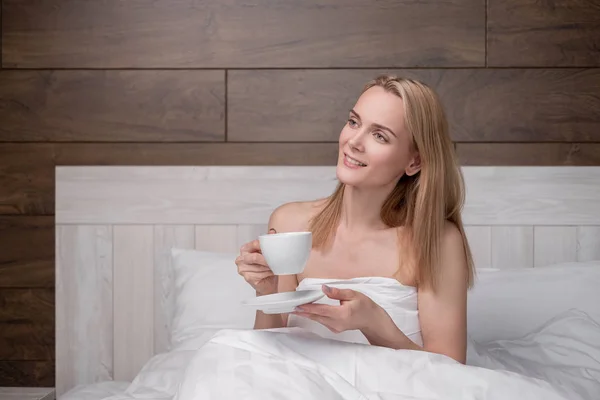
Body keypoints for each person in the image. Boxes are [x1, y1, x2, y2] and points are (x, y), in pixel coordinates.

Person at [235, 74, 474, 364]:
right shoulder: (289, 222)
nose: (354, 142)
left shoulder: (437, 241)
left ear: (415, 162)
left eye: (380, 135)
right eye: (353, 122)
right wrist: (268, 294)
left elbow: (452, 371)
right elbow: (267, 358)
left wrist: (374, 324)